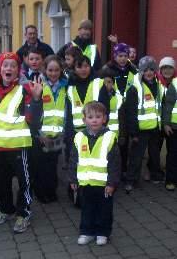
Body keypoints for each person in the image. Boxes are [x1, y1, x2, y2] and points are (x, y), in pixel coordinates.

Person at [0, 52, 43, 233]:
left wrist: (37, 99)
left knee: (24, 182)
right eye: (6, 65)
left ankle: (24, 214)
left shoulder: (25, 90)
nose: (9, 68)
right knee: (3, 183)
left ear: (18, 70)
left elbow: (35, 121)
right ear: (0, 68)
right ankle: (6, 209)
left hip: (19, 147)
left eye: (13, 66)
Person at [69, 101, 120, 246]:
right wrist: (73, 180)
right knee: (87, 209)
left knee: (104, 210)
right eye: (90, 117)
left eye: (98, 116)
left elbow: (115, 163)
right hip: (85, 183)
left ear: (104, 119)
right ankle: (87, 232)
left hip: (104, 185)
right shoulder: (79, 137)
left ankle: (103, 233)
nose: (95, 120)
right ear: (84, 120)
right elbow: (73, 160)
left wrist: (112, 183)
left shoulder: (110, 137)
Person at [32, 55, 70, 203]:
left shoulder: (65, 86)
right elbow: (33, 112)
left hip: (58, 135)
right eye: (50, 70)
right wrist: (38, 133)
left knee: (52, 165)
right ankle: (40, 192)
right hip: (42, 135)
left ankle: (51, 190)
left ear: (61, 70)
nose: (53, 73)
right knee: (41, 165)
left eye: (56, 70)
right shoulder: (39, 85)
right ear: (44, 70)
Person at [125, 56, 165, 193]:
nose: (149, 72)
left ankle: (156, 175)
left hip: (155, 128)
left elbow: (161, 106)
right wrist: (133, 132)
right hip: (140, 130)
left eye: (151, 69)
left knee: (154, 155)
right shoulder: (135, 88)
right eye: (146, 70)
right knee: (136, 157)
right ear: (141, 71)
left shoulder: (159, 85)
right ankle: (131, 180)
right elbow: (130, 112)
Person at [101, 43, 137, 179]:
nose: (122, 58)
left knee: (124, 141)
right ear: (115, 56)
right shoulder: (108, 69)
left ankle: (122, 170)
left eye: (125, 56)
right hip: (114, 105)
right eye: (120, 56)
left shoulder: (132, 70)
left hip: (128, 106)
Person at [67, 55, 110, 134]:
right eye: (79, 67)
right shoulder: (70, 87)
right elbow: (68, 113)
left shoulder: (99, 83)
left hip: (97, 131)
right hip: (76, 132)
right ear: (74, 69)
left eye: (86, 66)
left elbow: (106, 108)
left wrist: (103, 127)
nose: (83, 69)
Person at [161, 58, 177, 191]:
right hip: (173, 126)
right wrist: (166, 124)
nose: (167, 70)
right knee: (172, 154)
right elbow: (168, 106)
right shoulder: (175, 84)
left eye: (170, 67)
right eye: (165, 67)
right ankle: (170, 180)